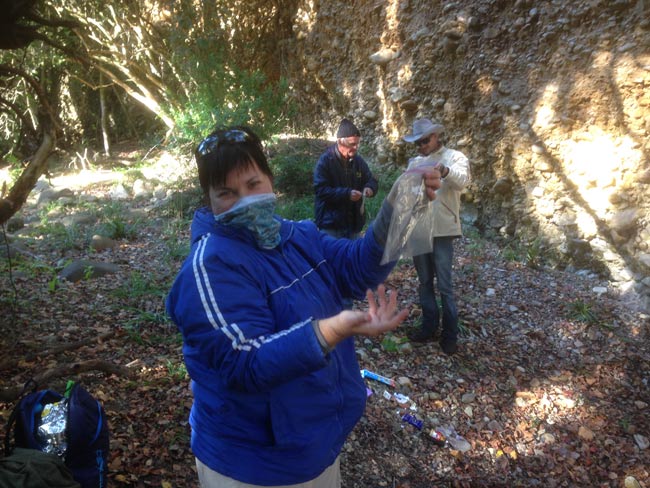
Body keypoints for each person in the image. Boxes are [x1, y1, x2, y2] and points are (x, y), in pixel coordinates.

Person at [165, 125, 442, 487]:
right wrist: (332, 329)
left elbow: (359, 267)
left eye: (253, 184)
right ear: (209, 199)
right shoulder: (209, 266)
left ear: (270, 179)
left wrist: (398, 206)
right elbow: (245, 362)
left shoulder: (298, 236)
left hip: (317, 446)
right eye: (226, 193)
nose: (244, 200)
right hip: (251, 467)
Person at [402, 119, 471, 355]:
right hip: (419, 229)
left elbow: (463, 181)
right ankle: (428, 326)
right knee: (424, 282)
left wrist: (445, 171)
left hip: (443, 229)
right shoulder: (414, 162)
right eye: (417, 143)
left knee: (444, 285)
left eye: (424, 141)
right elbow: (406, 193)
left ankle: (450, 335)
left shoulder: (454, 157)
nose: (421, 146)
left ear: (435, 137)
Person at [313, 118, 378, 240]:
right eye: (352, 144)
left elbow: (371, 179)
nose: (356, 148)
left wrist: (370, 188)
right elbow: (320, 190)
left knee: (354, 253)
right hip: (331, 226)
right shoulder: (326, 161)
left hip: (354, 226)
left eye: (357, 144)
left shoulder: (358, 161)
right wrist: (347, 194)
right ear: (339, 142)